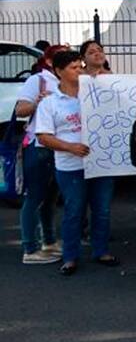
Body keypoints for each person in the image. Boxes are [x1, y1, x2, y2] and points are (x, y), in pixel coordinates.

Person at [35, 50, 118, 275]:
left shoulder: (95, 95)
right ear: (59, 71)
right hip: (70, 166)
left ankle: (101, 250)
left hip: (101, 163)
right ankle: (70, 256)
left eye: (80, 66)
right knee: (74, 211)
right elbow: (43, 136)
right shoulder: (50, 103)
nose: (79, 70)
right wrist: (70, 147)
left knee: (102, 210)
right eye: (73, 67)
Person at [16, 44, 68, 265]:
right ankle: (30, 247)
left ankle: (48, 241)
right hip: (39, 146)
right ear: (49, 62)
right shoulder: (37, 80)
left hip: (58, 146)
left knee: (50, 198)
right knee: (35, 197)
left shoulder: (65, 83)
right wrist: (38, 102)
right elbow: (20, 110)